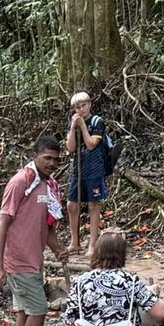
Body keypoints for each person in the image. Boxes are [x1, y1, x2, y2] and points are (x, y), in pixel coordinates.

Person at [0, 136, 67, 326]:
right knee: (39, 311)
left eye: (56, 160)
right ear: (35, 155)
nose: (52, 163)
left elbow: (48, 226)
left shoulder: (50, 186)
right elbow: (3, 223)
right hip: (18, 260)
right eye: (47, 158)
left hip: (34, 260)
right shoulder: (21, 181)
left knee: (24, 313)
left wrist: (58, 251)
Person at [64, 91, 110, 257]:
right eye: (77, 107)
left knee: (93, 205)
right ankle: (74, 242)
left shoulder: (98, 122)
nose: (81, 109)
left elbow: (91, 144)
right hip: (79, 168)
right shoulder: (72, 122)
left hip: (95, 168)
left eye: (83, 105)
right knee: (72, 204)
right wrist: (72, 127)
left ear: (89, 104)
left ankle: (92, 244)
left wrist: (83, 126)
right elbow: (70, 148)